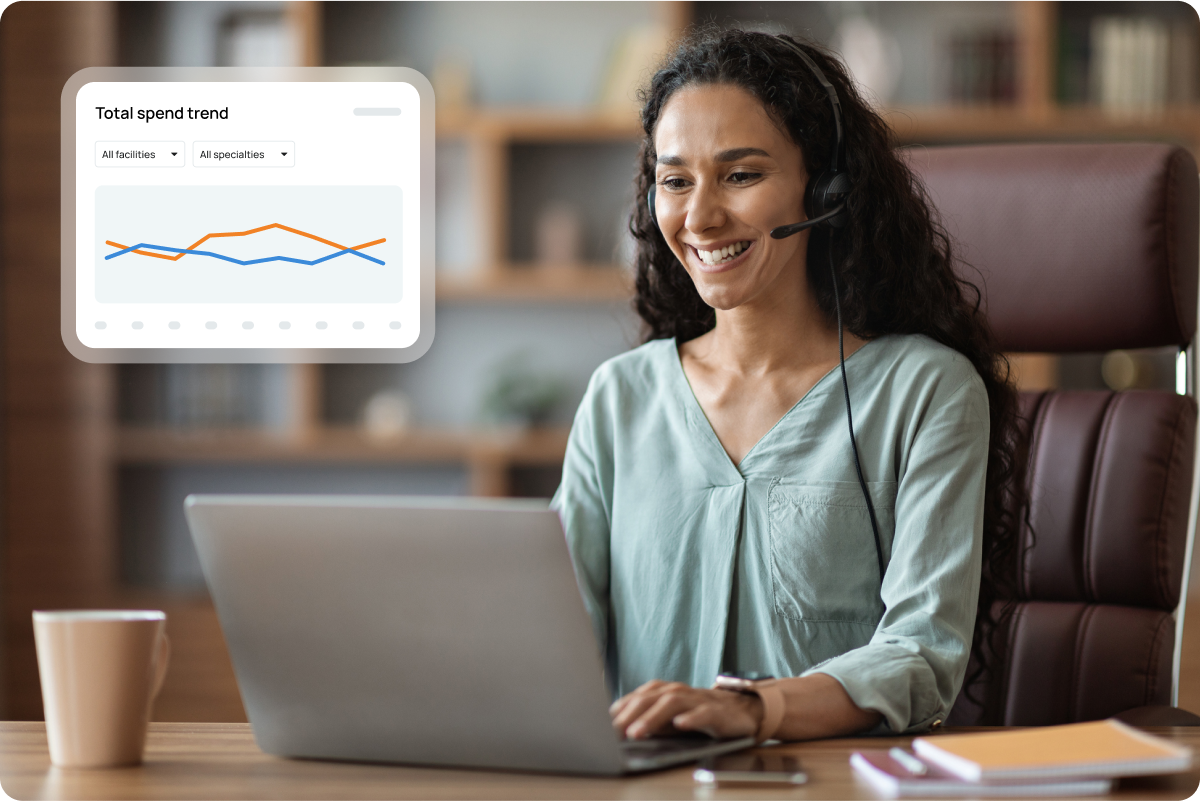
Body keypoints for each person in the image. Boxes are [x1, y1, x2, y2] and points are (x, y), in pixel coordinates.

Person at [550, 29, 1022, 743]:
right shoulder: (621, 398)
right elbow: (550, 628)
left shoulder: (925, 392)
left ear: (827, 188)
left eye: (740, 175)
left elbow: (922, 653)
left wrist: (752, 709)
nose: (700, 216)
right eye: (676, 180)